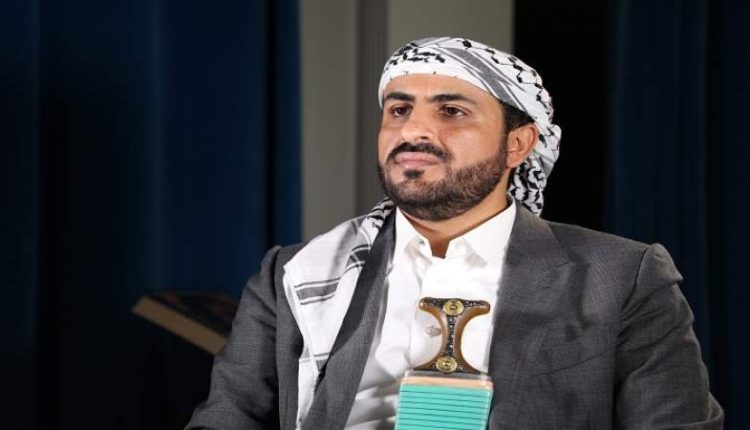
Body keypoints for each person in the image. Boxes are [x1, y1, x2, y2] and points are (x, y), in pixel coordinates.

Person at [186, 37, 723, 429]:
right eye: (399, 110)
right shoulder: (296, 274)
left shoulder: (620, 277)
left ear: (518, 145)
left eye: (452, 111)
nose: (414, 130)